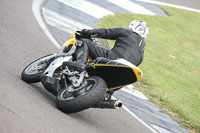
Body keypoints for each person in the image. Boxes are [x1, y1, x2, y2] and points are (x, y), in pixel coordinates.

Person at [63, 20, 149, 72]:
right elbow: (137, 63)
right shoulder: (142, 52)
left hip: (113, 58)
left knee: (85, 42)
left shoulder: (127, 32)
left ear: (132, 26)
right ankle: (108, 94)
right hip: (126, 71)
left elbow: (105, 33)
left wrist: (85, 32)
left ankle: (80, 63)